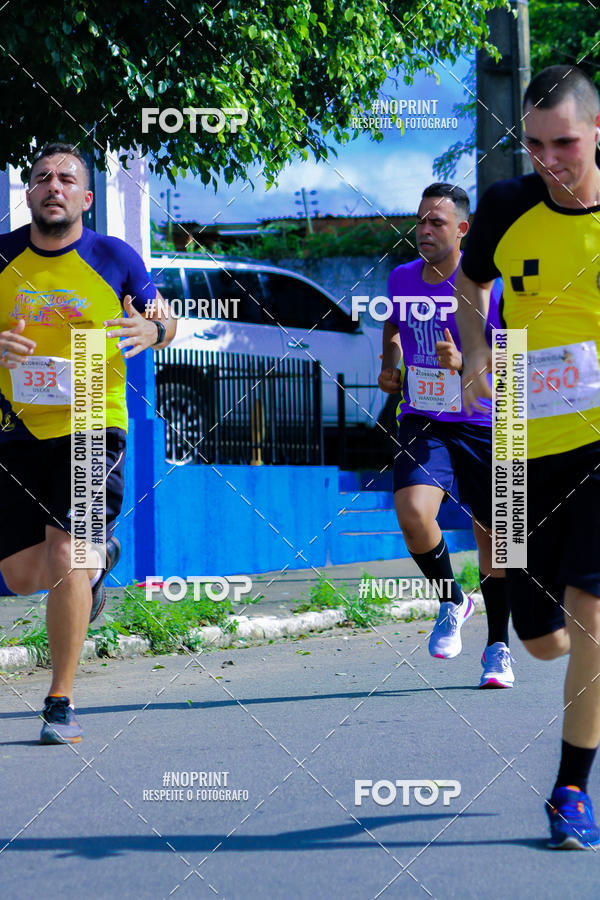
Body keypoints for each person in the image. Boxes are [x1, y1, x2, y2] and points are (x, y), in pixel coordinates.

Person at [456, 64, 600, 848]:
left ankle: (570, 792)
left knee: (592, 612)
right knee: (545, 637)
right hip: (517, 443)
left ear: (596, 134)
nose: (550, 159)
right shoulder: (508, 205)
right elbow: (471, 289)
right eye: (536, 144)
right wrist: (477, 349)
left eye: (566, 143)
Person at [0, 143, 175, 744]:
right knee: (24, 574)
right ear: (29, 194)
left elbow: (165, 319)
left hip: (93, 425)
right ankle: (101, 568)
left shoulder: (114, 257)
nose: (54, 186)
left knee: (69, 552)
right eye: (42, 177)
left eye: (67, 178)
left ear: (86, 197)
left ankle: (59, 700)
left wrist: (153, 327)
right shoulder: (2, 257)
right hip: (16, 430)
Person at [378, 182, 513, 688]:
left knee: (499, 540)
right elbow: (393, 330)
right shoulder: (402, 279)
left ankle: (498, 647)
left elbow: (520, 354)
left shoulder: (492, 285)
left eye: (436, 222)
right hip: (424, 415)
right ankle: (451, 598)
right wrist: (389, 366)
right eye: (420, 221)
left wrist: (472, 361)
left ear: (463, 229)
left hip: (487, 419)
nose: (424, 230)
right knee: (413, 513)